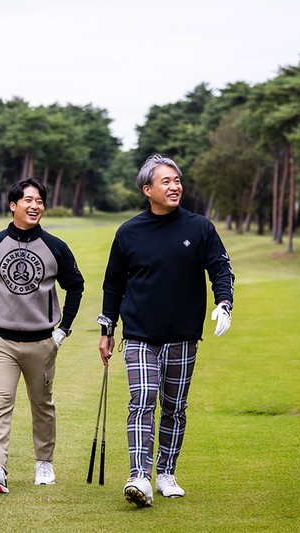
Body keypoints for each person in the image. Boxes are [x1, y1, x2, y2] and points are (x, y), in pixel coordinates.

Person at [97, 154, 235, 507]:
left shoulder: (199, 227)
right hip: (140, 334)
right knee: (142, 400)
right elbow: (113, 285)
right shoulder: (128, 232)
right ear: (148, 189)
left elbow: (220, 268)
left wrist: (224, 303)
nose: (175, 186)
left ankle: (165, 471)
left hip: (183, 335)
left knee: (174, 407)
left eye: (177, 180)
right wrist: (107, 328)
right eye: (166, 182)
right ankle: (139, 476)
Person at [0, 177, 84, 494]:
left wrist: (62, 330)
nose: (35, 206)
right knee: (0, 401)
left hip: (42, 342)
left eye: (40, 201)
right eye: (29, 200)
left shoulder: (55, 248)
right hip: (0, 341)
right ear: (13, 205)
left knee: (42, 404)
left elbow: (75, 286)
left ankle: (43, 463)